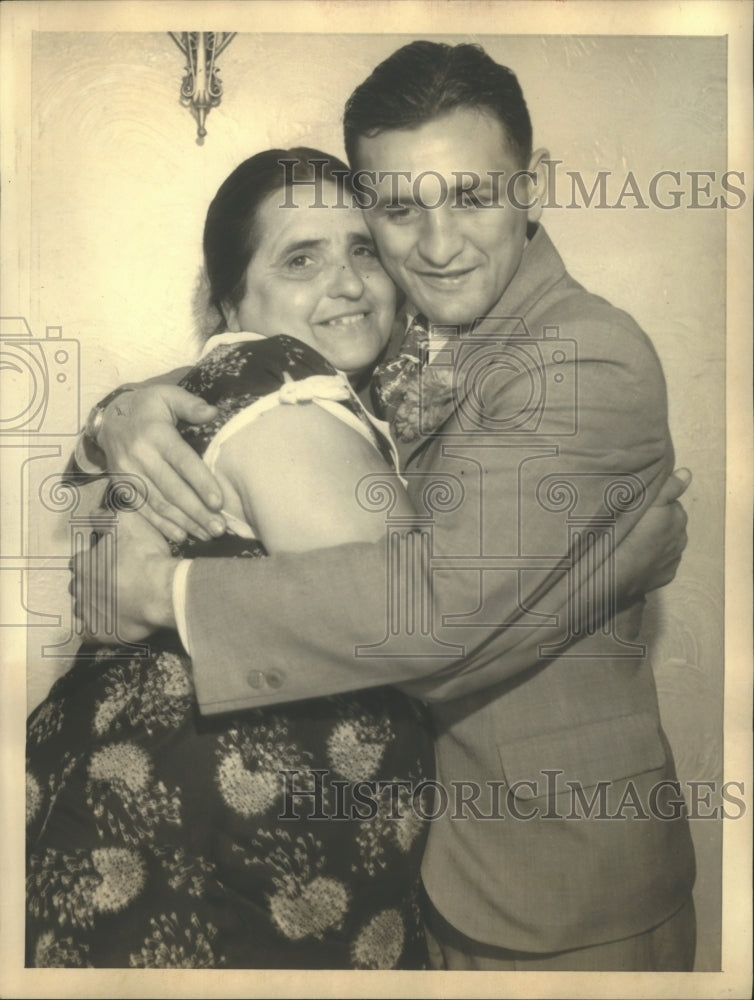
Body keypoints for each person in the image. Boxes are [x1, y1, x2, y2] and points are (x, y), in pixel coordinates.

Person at [70, 42, 695, 971]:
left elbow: (432, 621)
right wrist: (114, 419)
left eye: (474, 197)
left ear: (535, 186)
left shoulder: (580, 357)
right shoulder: (414, 335)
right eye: (400, 210)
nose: (436, 247)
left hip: (561, 891)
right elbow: (252, 358)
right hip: (416, 872)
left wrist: (166, 595)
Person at [26, 149, 438, 969]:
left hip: (159, 859)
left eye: (363, 250)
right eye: (301, 258)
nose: (350, 282)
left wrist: (112, 420)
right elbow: (412, 616)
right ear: (231, 305)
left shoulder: (236, 388)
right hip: (215, 888)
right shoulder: (285, 383)